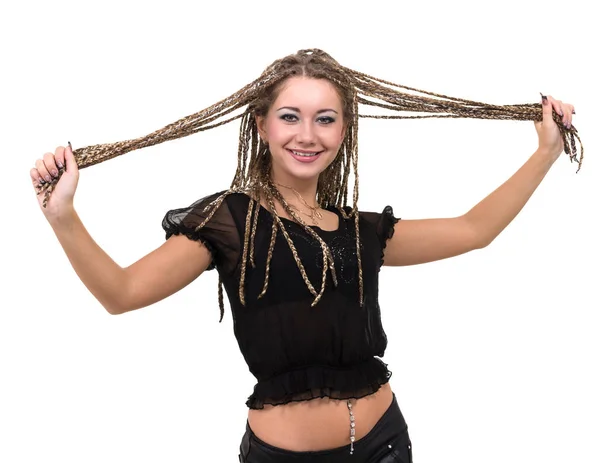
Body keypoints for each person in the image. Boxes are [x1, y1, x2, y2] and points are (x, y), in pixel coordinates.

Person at [30, 49, 576, 462]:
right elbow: (121, 294)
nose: (307, 135)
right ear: (262, 125)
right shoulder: (229, 221)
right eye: (290, 116)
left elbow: (474, 229)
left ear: (344, 129)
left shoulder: (358, 232)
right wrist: (63, 216)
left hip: (385, 443)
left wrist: (546, 152)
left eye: (326, 118)